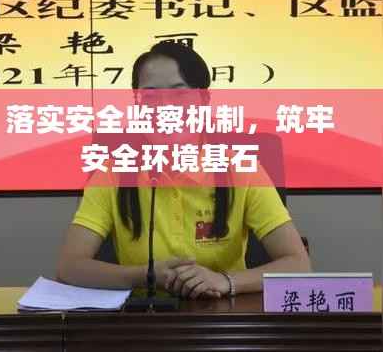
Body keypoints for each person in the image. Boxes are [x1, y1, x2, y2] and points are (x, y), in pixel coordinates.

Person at [56, 41, 311, 299]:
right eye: (150, 96)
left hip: (225, 315)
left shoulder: (240, 169)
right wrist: (146, 275)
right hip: (143, 315)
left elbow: (298, 264)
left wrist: (225, 281)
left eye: (179, 94)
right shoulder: (114, 171)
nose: (165, 108)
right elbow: (70, 266)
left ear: (203, 100)